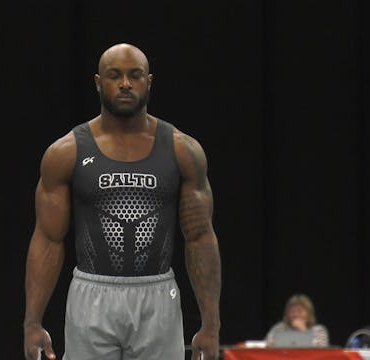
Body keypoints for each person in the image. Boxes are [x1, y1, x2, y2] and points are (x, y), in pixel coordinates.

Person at [23, 43, 221, 360]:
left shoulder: (182, 150)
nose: (125, 84)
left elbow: (199, 237)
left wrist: (211, 324)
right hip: (91, 296)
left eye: (135, 75)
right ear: (99, 83)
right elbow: (47, 239)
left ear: (149, 82)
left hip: (158, 294)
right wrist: (32, 322)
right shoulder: (66, 152)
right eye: (115, 76)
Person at [265, 294, 329, 347]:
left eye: (300, 311)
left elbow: (321, 352)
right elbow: (267, 346)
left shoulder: (319, 330)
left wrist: (303, 331)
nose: (296, 314)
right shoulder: (279, 328)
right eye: (292, 311)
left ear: (309, 314)